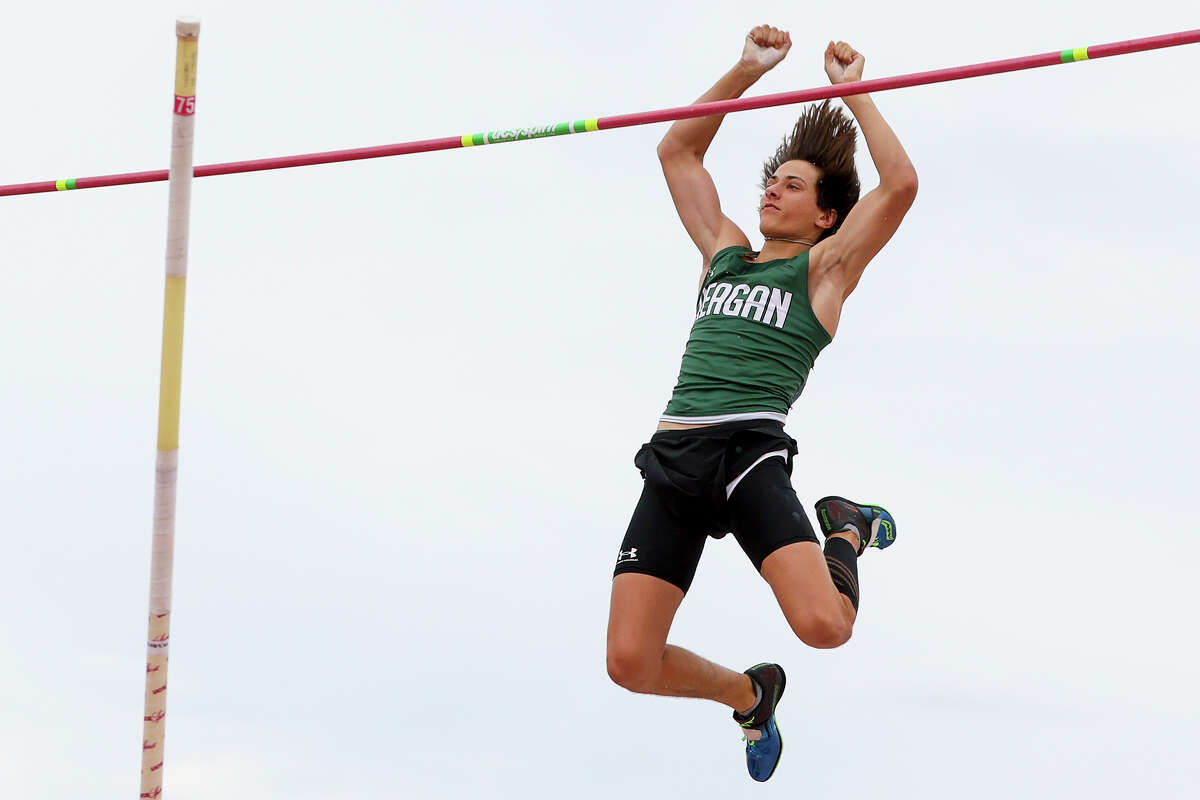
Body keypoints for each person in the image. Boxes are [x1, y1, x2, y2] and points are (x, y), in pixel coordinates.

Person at [606, 25, 917, 783]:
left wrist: (855, 91)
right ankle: (750, 696)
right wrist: (745, 70)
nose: (772, 189)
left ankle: (844, 533)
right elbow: (676, 153)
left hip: (748, 452)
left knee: (825, 627)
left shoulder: (825, 273)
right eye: (772, 181)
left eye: (794, 186)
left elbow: (900, 185)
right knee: (629, 662)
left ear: (825, 218)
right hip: (676, 457)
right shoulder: (724, 249)